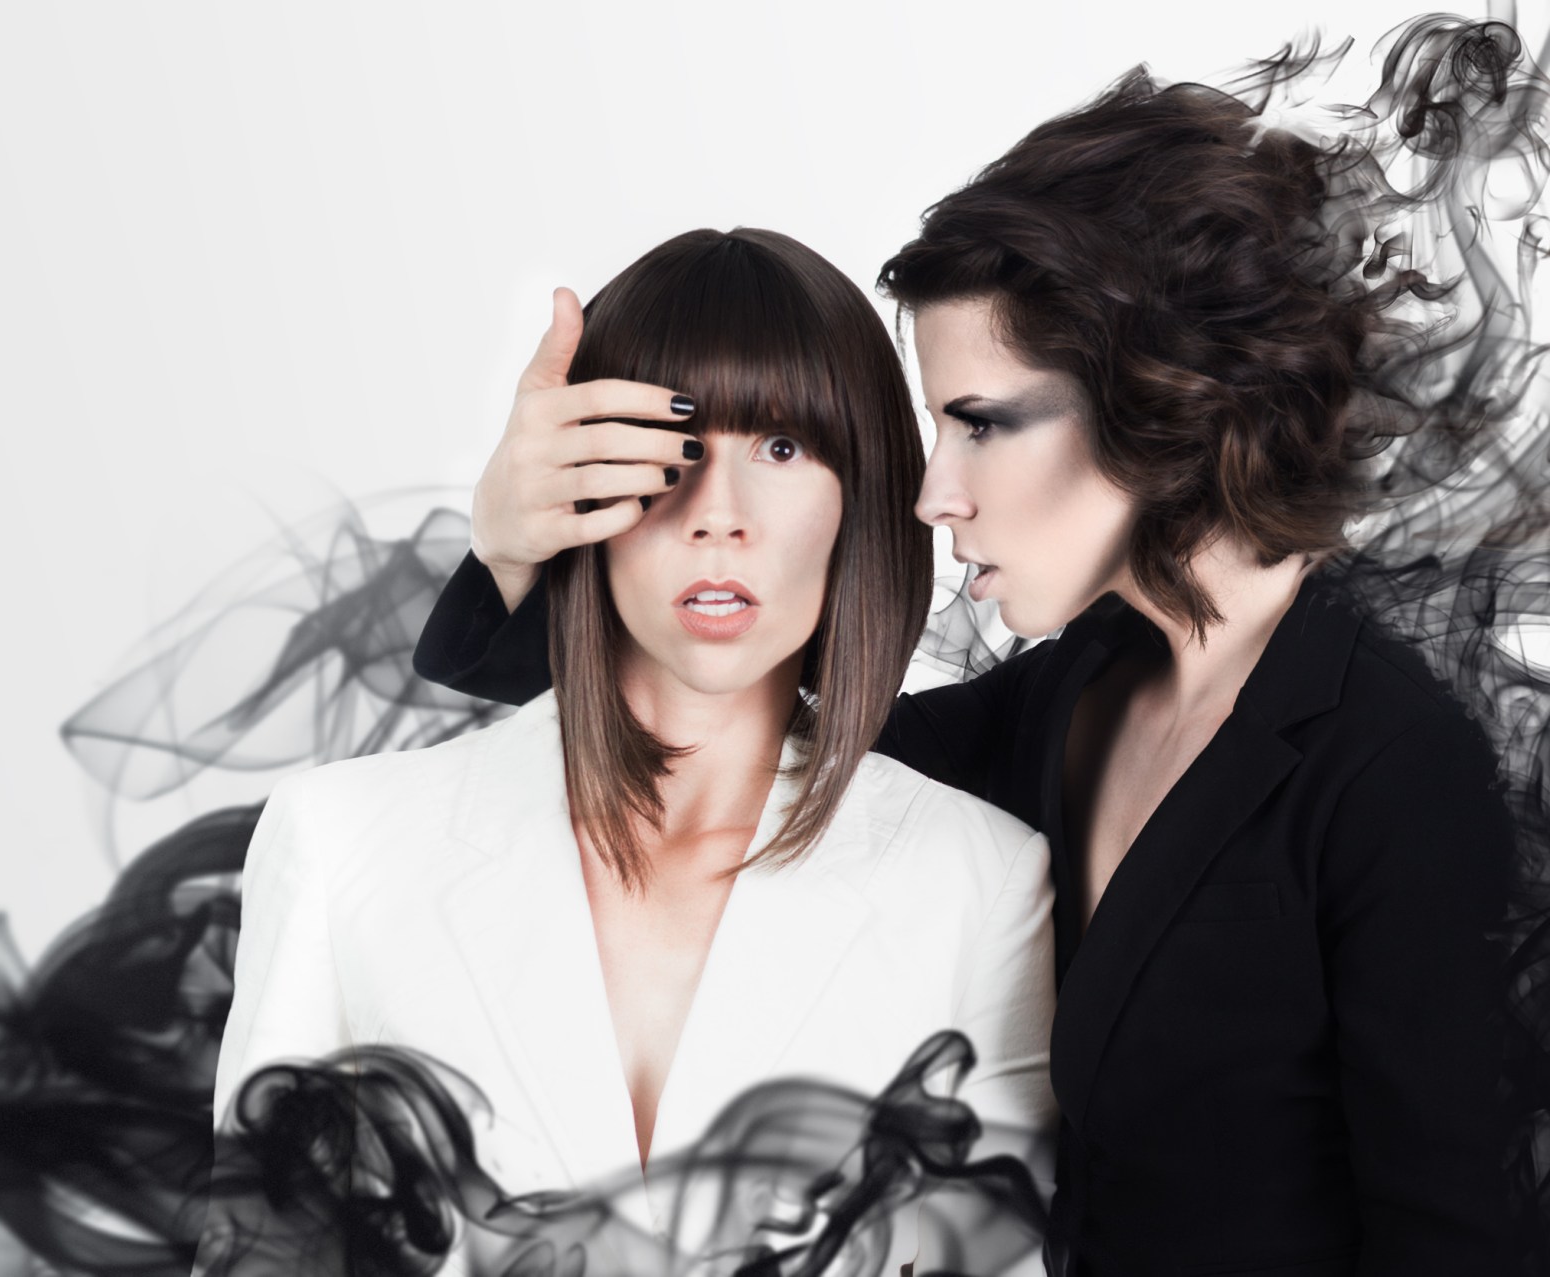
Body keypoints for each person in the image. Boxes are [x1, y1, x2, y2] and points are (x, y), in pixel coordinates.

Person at [411, 21, 1546, 1277]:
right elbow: (717, 737)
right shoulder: (1071, 696)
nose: (931, 492)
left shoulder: (1393, 766)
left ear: (1158, 400)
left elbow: (1458, 1237)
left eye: (979, 424)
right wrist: (511, 546)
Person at [206, 227, 1058, 1273]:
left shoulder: (980, 881)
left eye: (782, 449)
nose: (718, 517)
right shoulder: (340, 843)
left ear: (865, 494)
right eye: (673, 446)